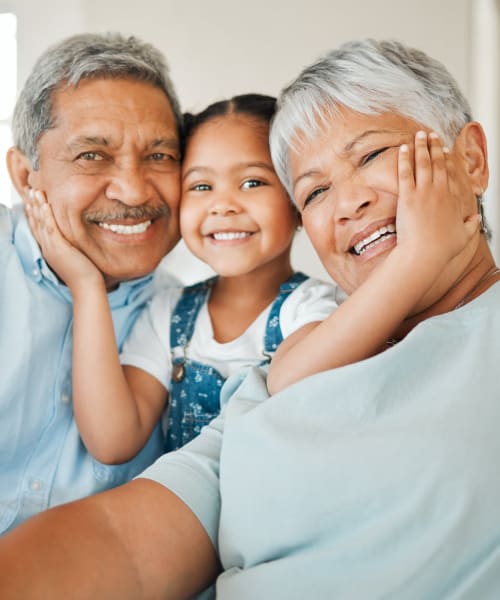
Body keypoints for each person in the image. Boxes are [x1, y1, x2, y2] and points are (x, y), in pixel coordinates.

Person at [1, 38, 500, 599]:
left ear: (472, 161)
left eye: (371, 155)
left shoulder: (312, 321)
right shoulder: (257, 377)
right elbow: (125, 539)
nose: (348, 202)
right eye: (315, 191)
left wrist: (416, 258)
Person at [24, 93, 338, 463]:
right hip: (185, 517)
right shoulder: (170, 312)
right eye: (201, 187)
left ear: (297, 197)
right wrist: (87, 286)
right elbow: (113, 442)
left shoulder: (316, 309)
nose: (223, 205)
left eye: (252, 182)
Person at [0, 32, 183, 534]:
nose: (132, 189)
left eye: (160, 156)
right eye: (92, 156)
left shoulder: (186, 317)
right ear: (24, 174)